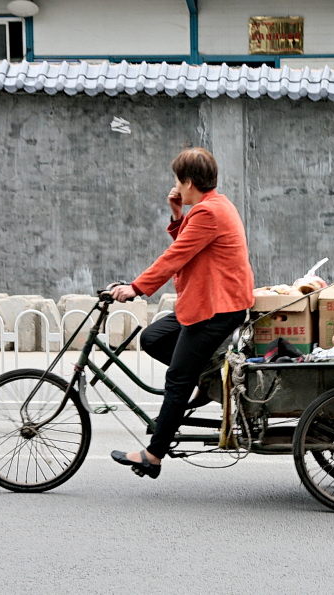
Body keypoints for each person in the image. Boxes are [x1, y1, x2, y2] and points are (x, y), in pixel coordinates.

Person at [109, 148, 254, 480]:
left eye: (178, 180)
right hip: (206, 302)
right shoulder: (211, 206)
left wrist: (135, 288)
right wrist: (176, 214)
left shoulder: (209, 213)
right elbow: (189, 243)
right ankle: (205, 378)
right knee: (152, 338)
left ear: (188, 182)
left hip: (217, 308)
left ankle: (153, 455)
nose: (175, 185)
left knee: (177, 379)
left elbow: (176, 255)